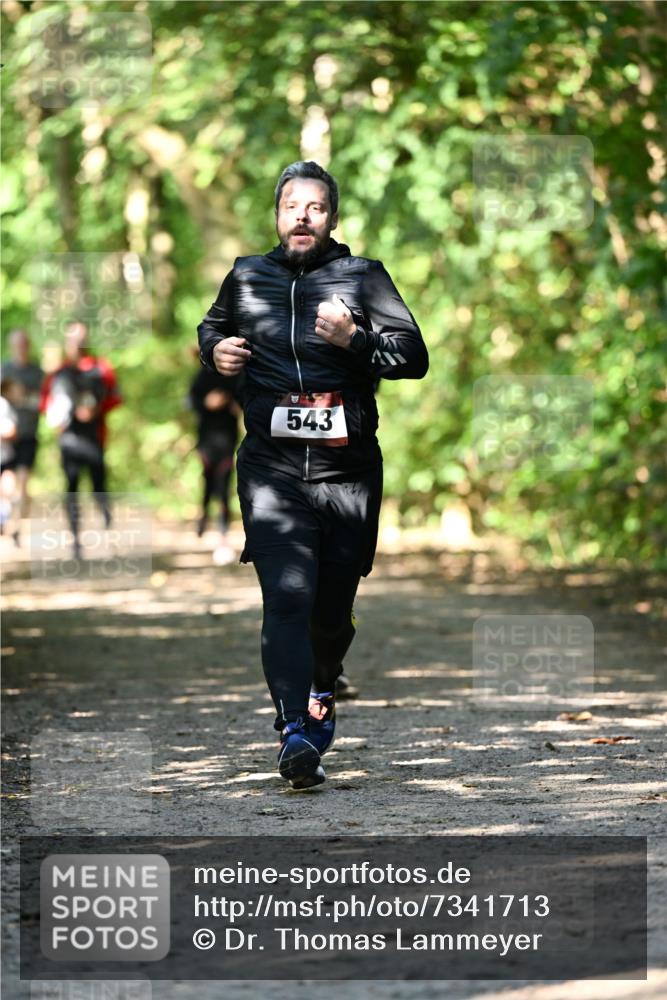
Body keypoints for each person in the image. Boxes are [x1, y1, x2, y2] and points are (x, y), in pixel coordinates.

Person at [198, 160, 428, 789]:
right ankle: (294, 730)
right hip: (271, 468)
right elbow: (213, 326)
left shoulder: (364, 277)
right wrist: (214, 351)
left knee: (330, 610)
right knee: (287, 596)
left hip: (348, 472)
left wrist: (356, 339)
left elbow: (413, 357)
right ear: (277, 213)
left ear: (332, 217)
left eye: (316, 208)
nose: (302, 217)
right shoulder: (248, 276)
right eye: (291, 206)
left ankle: (324, 682)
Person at [40, 322, 121, 558]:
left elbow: (115, 397)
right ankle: (76, 542)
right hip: (69, 440)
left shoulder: (101, 368)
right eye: (73, 339)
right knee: (72, 488)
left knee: (100, 488)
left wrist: (96, 411)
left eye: (81, 338)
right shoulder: (59, 374)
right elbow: (47, 406)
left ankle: (108, 537)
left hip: (95, 438)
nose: (77, 343)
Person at [188, 363, 243, 565]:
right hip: (205, 441)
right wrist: (207, 403)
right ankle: (203, 517)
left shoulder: (236, 376)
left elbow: (245, 403)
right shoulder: (202, 375)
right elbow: (190, 401)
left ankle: (223, 535)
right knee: (207, 484)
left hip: (228, 441)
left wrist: (233, 404)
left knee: (224, 488)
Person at [1, 329, 44, 538]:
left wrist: (23, 396)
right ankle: (6, 518)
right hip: (6, 438)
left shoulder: (37, 372)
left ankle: (17, 525)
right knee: (7, 483)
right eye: (17, 344)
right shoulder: (4, 369)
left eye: (24, 344)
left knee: (23, 480)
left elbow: (45, 401)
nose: (21, 348)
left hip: (28, 434)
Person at [0, 374, 20, 539]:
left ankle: (8, 522)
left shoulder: (3, 405)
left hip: (5, 456)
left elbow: (11, 431)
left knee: (8, 490)